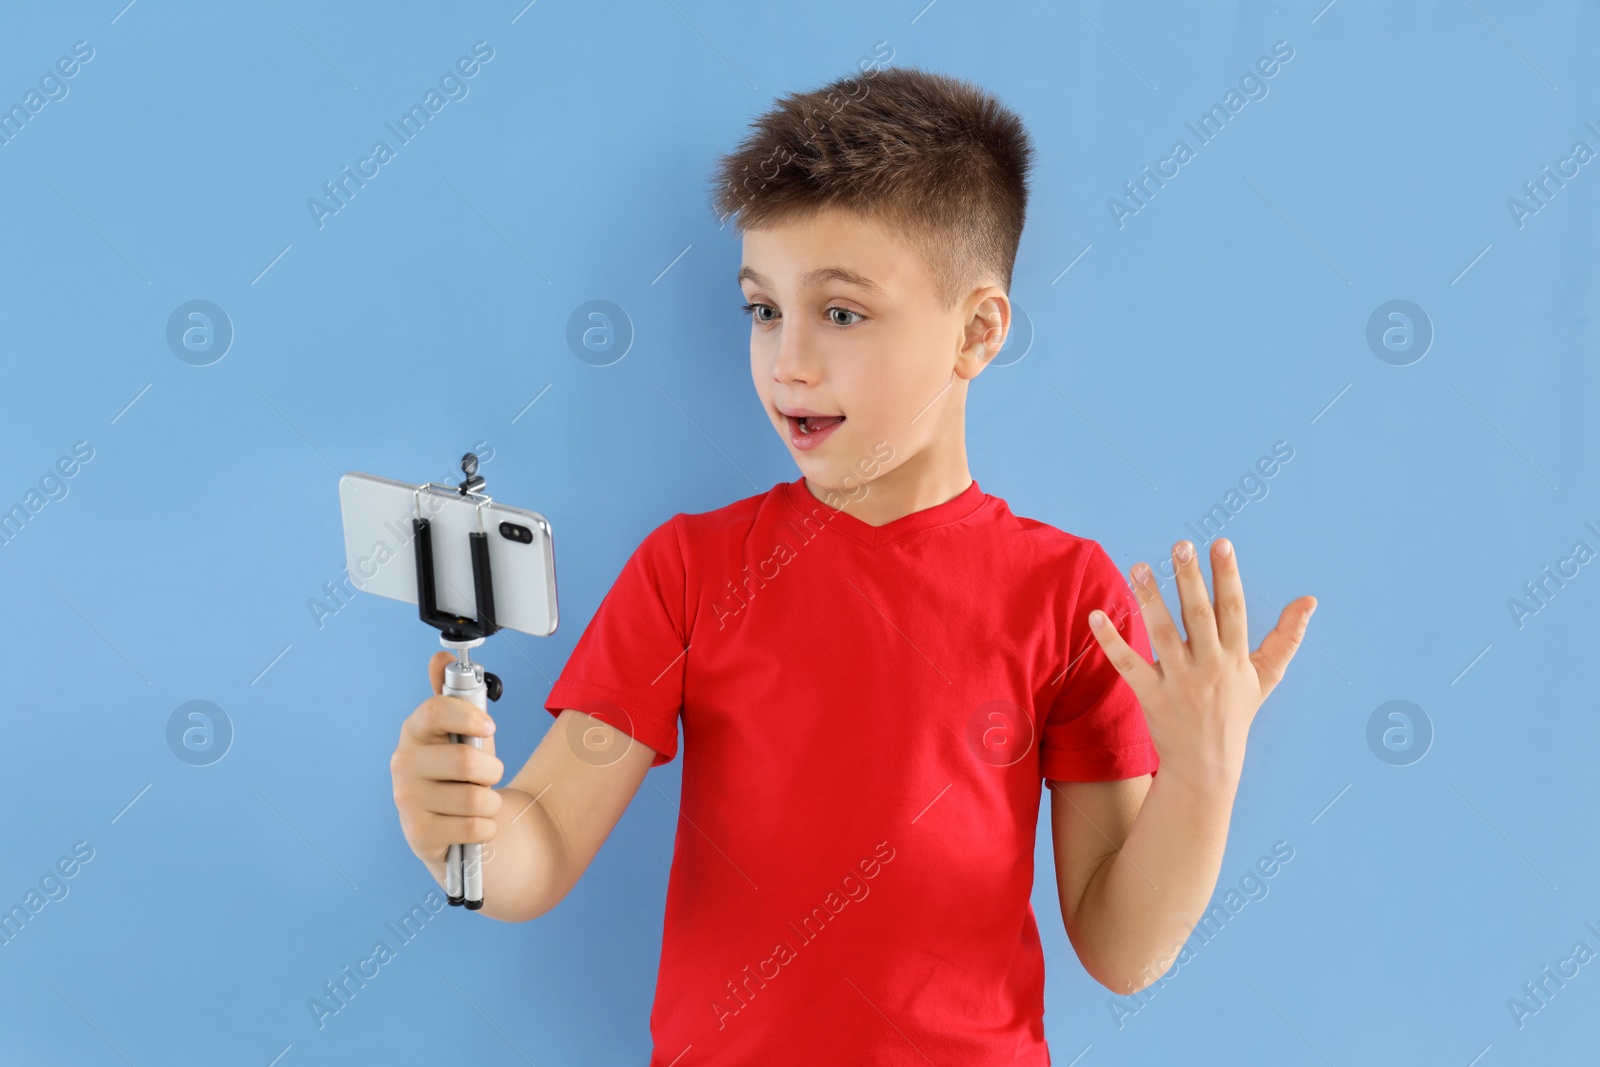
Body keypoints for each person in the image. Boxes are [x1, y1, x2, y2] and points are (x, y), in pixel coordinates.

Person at [389, 63, 1317, 1065]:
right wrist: (463, 836)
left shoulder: (1069, 597)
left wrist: (1205, 770)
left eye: (839, 312)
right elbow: (545, 842)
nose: (787, 359)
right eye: (761, 308)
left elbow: (1121, 947)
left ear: (977, 329)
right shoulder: (690, 570)